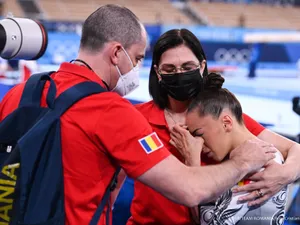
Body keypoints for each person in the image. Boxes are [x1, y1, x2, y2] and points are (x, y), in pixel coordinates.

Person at [0, 5, 275, 225]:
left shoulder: (21, 92)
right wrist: (242, 163)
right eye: (139, 58)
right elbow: (188, 189)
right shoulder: (110, 110)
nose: (137, 68)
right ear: (117, 53)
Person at [126, 29, 300, 225]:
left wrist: (285, 175)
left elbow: (295, 149)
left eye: (187, 66)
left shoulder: (221, 117)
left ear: (202, 67)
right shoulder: (135, 117)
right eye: (170, 69)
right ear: (157, 72)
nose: (179, 74)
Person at [178, 74, 287, 224]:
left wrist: (192, 162)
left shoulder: (262, 159)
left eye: (199, 134)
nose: (197, 144)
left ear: (226, 123)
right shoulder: (240, 159)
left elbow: (211, 222)